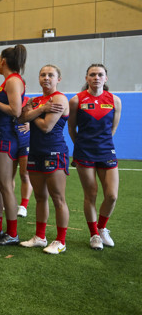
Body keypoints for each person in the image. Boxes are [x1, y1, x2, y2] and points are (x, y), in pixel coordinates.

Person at [68, 64, 121, 250]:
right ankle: (94, 235)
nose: (96, 77)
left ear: (106, 78)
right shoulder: (76, 100)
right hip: (84, 152)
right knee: (91, 194)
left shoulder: (115, 100)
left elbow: (113, 128)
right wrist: (81, 145)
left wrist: (102, 143)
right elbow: (71, 128)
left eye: (100, 74)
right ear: (86, 78)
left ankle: (102, 228)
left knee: (112, 196)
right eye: (92, 74)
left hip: (107, 151)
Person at [18, 65, 70, 254]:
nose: (46, 78)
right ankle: (40, 237)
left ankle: (61, 241)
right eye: (43, 75)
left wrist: (34, 112)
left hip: (54, 152)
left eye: (50, 75)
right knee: (40, 197)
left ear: (58, 79)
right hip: (36, 153)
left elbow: (47, 127)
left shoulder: (59, 98)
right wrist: (40, 109)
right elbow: (20, 118)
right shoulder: (38, 100)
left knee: (58, 198)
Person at [0, 44, 27, 245]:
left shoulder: (13, 81)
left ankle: (12, 233)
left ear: (3, 61)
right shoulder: (8, 82)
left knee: (4, 185)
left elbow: (16, 111)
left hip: (5, 138)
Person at [15, 100, 32, 218]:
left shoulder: (28, 101)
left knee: (24, 174)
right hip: (10, 140)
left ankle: (23, 206)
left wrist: (31, 124)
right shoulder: (8, 99)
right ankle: (9, 202)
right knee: (7, 176)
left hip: (25, 142)